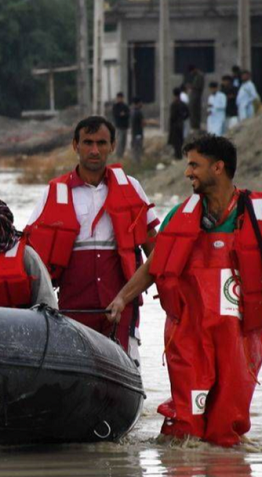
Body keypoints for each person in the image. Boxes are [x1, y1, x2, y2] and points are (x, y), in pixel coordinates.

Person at [106, 135, 262, 447]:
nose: (187, 172)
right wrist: (122, 298)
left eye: (194, 165)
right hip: (189, 333)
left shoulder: (256, 213)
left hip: (239, 337)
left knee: (226, 430)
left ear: (218, 168)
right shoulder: (180, 215)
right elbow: (154, 266)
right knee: (185, 430)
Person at [24, 116, 158, 364]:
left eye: (101, 143)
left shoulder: (132, 187)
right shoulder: (54, 191)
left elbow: (156, 251)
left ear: (112, 146)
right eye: (87, 142)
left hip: (122, 304)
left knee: (127, 366)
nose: (94, 150)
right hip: (73, 308)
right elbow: (28, 254)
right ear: (75, 145)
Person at [168, 87, 189, 160]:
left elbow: (172, 117)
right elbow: (188, 114)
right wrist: (183, 119)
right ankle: (178, 155)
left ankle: (178, 156)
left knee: (176, 142)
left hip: (175, 126)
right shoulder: (183, 104)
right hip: (180, 125)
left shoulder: (173, 104)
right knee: (179, 141)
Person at [186, 64, 205, 130]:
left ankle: (196, 125)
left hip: (196, 96)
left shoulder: (200, 75)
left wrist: (191, 86)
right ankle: (194, 125)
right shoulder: (197, 75)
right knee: (192, 110)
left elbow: (199, 86)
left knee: (195, 110)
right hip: (194, 95)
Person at [112, 92, 130, 159]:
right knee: (119, 141)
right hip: (119, 126)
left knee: (124, 142)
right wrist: (122, 115)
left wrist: (123, 114)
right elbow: (116, 115)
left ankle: (121, 154)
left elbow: (127, 114)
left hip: (125, 126)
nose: (120, 99)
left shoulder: (125, 106)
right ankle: (118, 155)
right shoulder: (115, 106)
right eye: (118, 98)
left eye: (121, 98)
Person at [130, 98, 144, 163]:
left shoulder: (132, 111)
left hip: (134, 133)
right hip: (138, 133)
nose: (142, 104)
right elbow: (143, 123)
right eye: (141, 102)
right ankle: (137, 162)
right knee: (138, 148)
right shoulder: (139, 112)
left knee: (135, 148)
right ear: (138, 103)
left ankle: (135, 161)